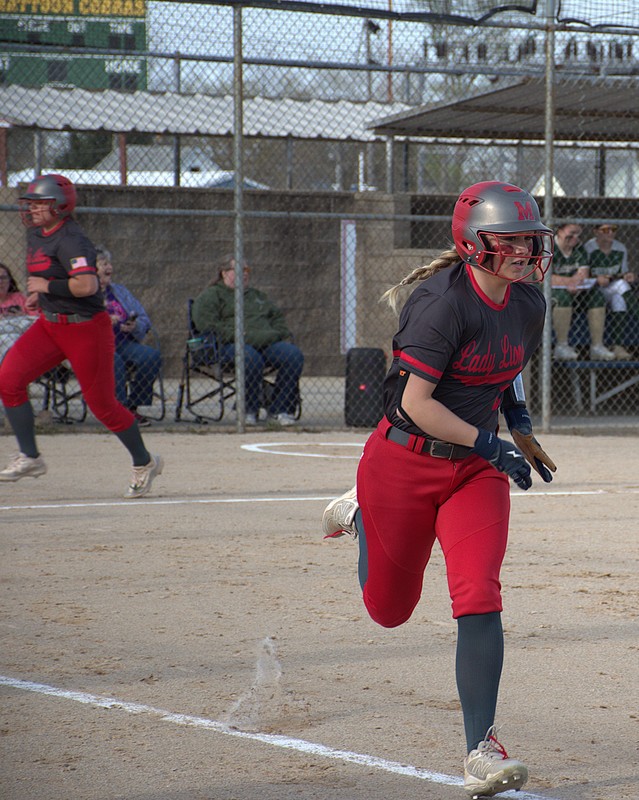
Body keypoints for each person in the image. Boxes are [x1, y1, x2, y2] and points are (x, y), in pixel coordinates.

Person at [321, 181, 557, 800]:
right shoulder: (439, 304)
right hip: (404, 462)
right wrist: (491, 443)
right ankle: (362, 514)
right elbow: (413, 403)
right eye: (511, 241)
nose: (526, 252)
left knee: (479, 591)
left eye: (530, 241)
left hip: (473, 472)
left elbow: (507, 369)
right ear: (474, 243)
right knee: (389, 611)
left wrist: (521, 431)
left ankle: (480, 747)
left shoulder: (526, 301)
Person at [0, 173, 163, 497]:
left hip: (85, 328)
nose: (31, 209)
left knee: (102, 405)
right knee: (8, 378)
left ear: (59, 207)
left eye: (39, 204)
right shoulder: (36, 233)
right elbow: (47, 274)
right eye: (30, 203)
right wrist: (41, 296)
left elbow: (86, 285)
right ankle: (30, 457)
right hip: (50, 324)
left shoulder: (73, 239)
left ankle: (144, 461)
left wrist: (47, 287)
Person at [191, 254, 303, 426]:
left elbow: (278, 319)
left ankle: (280, 410)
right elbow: (206, 325)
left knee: (293, 355)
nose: (244, 274)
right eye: (238, 270)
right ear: (224, 273)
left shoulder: (257, 296)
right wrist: (239, 336)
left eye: (246, 270)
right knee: (250, 357)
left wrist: (275, 334)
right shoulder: (211, 295)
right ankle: (248, 410)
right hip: (228, 346)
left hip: (265, 344)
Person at [95, 246, 162, 428]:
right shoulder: (85, 293)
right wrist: (104, 320)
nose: (109, 267)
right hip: (98, 345)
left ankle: (133, 406)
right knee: (114, 360)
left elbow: (143, 317)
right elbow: (80, 322)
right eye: (103, 264)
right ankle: (119, 410)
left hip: (124, 342)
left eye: (109, 263)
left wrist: (135, 325)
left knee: (151, 356)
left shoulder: (120, 291)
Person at [551, 222, 614, 361]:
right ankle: (561, 346)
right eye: (571, 233)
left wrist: (571, 282)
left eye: (578, 234)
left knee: (597, 296)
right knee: (563, 296)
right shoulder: (549, 246)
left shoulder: (579, 248)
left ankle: (597, 346)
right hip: (549, 292)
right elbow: (544, 277)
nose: (575, 238)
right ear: (560, 231)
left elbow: (583, 276)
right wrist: (570, 281)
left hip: (575, 290)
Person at [584, 223, 638, 360]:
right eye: (605, 230)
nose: (610, 233)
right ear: (595, 231)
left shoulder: (620, 247)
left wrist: (628, 276)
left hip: (613, 287)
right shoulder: (589, 248)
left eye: (613, 229)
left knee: (620, 295)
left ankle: (618, 346)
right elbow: (582, 275)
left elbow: (622, 272)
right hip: (593, 289)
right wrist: (596, 278)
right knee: (620, 287)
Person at [0, 263, 38, 364]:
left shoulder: (19, 297)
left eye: (3, 278)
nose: (0, 282)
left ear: (10, 281)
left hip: (20, 333)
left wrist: (20, 316)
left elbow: (34, 319)